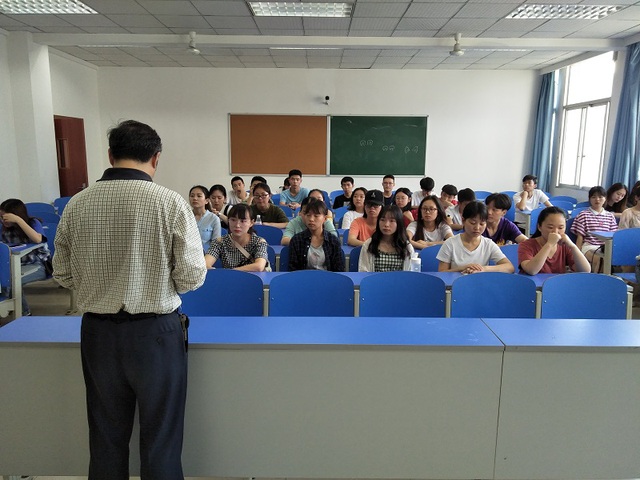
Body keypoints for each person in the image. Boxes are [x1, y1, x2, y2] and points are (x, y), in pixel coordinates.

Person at [52, 120, 207, 479]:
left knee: (105, 438)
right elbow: (191, 277)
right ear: (156, 158)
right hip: (156, 334)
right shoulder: (171, 203)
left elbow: (61, 274)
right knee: (161, 440)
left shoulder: (77, 203)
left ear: (110, 155)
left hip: (98, 332)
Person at [0, 198, 51, 316]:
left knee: (12, 282)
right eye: (1, 217)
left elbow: (37, 239)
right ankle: (7, 307)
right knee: (5, 280)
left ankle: (24, 313)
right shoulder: (3, 229)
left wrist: (19, 221)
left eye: (5, 217)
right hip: (13, 265)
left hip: (38, 265)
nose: (3, 220)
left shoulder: (33, 223)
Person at [437, 201, 514, 274]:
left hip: (479, 282)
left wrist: (483, 269)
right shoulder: (450, 243)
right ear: (463, 220)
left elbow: (509, 267)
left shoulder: (488, 244)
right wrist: (462, 268)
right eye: (472, 223)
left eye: (482, 224)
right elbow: (442, 272)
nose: (477, 228)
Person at [519, 206, 590, 275]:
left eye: (561, 228)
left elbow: (585, 271)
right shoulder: (526, 245)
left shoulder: (564, 246)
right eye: (550, 227)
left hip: (556, 283)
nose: (555, 232)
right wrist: (549, 244)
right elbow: (532, 270)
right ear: (539, 227)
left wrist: (573, 246)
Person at [205, 204, 269, 271]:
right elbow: (205, 264)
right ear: (228, 220)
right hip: (230, 277)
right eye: (233, 220)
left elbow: (259, 266)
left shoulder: (259, 242)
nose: (237, 225)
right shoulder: (220, 242)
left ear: (251, 223)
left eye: (243, 221)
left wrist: (231, 272)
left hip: (252, 277)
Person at [288, 198, 344, 271]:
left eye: (316, 216)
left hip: (328, 278)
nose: (311, 219)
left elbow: (338, 269)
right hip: (303, 277)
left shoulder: (333, 241)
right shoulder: (297, 240)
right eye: (308, 215)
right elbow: (293, 269)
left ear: (325, 218)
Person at [570, 185, 618, 272]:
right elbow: (580, 237)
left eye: (600, 197)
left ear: (605, 199)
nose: (597, 200)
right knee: (601, 260)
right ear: (589, 199)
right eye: (594, 197)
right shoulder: (583, 215)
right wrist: (576, 254)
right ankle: (597, 278)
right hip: (589, 246)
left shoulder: (610, 216)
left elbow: (613, 236)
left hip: (605, 247)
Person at [359, 205, 415, 272]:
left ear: (399, 223)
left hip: (399, 279)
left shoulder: (407, 247)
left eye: (392, 221)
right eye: (382, 220)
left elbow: (411, 273)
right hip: (375, 279)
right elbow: (363, 271)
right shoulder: (369, 244)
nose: (386, 224)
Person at [189, 185, 221, 252]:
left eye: (199, 196)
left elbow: (216, 245)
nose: (195, 198)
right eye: (192, 196)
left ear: (207, 200)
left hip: (206, 255)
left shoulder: (214, 219)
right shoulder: (186, 217)